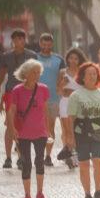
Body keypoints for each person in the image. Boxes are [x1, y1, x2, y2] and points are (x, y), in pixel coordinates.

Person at [66, 62, 100, 198]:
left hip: (99, 130)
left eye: (94, 73)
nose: (92, 76)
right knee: (84, 163)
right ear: (83, 77)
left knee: (98, 161)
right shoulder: (75, 95)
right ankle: (87, 194)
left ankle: (98, 191)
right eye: (89, 74)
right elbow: (70, 118)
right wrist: (70, 137)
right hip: (81, 131)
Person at [0, 28, 37, 169]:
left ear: (25, 40)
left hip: (27, 92)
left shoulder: (32, 55)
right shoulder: (7, 56)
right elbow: (1, 74)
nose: (18, 41)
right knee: (10, 124)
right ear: (12, 41)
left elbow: (35, 74)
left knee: (24, 124)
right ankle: (8, 157)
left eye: (21, 39)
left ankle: (21, 155)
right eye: (16, 39)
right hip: (11, 92)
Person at [7, 60, 50, 198]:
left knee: (39, 161)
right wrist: (12, 129)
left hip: (40, 132)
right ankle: (27, 195)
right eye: (34, 72)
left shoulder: (43, 89)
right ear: (26, 73)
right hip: (22, 133)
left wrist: (48, 129)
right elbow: (11, 110)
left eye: (39, 72)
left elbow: (45, 110)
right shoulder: (17, 90)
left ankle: (40, 193)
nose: (37, 75)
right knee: (26, 163)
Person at [36, 34, 66, 166]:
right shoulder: (33, 57)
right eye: (44, 44)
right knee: (37, 128)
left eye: (49, 44)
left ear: (52, 44)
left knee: (50, 128)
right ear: (40, 43)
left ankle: (47, 156)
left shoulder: (59, 59)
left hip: (53, 98)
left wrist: (61, 89)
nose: (46, 47)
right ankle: (38, 155)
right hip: (36, 99)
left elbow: (63, 77)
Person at [57, 48, 87, 169]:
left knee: (77, 131)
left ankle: (70, 151)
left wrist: (71, 91)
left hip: (79, 104)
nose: (73, 60)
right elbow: (59, 91)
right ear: (67, 59)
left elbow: (86, 89)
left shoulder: (83, 72)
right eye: (71, 58)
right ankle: (71, 156)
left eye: (76, 58)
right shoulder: (62, 72)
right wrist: (62, 85)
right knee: (67, 130)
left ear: (79, 59)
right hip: (65, 103)